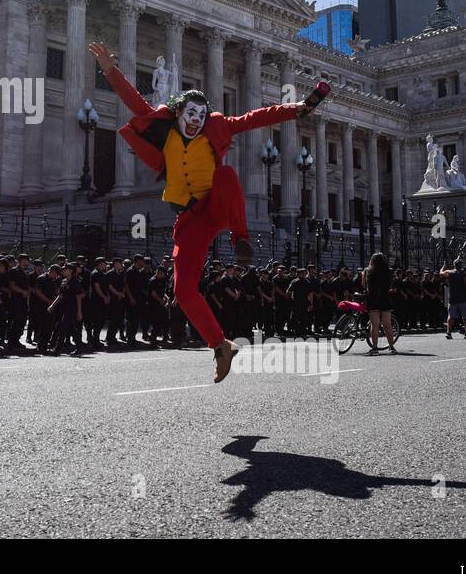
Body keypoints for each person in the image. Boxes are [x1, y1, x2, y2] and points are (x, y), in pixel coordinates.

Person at [89, 40, 312, 382]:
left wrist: (296, 108)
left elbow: (256, 117)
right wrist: (109, 69)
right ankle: (220, 345)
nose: (196, 120)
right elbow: (134, 101)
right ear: (178, 113)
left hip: (217, 202)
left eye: (201, 115)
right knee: (183, 290)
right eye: (191, 114)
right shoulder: (163, 130)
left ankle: (241, 240)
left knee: (225, 172)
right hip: (190, 215)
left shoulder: (217, 126)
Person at [363, 251, 396, 354]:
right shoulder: (389, 271)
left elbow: (364, 285)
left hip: (373, 298)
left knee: (375, 325)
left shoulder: (367, 271)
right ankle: (391, 347)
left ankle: (375, 348)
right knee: (387, 324)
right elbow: (390, 286)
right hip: (385, 298)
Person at [440, 257, 466, 340]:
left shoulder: (449, 272)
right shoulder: (463, 274)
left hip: (452, 298)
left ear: (454, 265)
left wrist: (444, 266)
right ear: (461, 265)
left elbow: (440, 274)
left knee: (450, 316)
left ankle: (449, 332)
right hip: (463, 298)